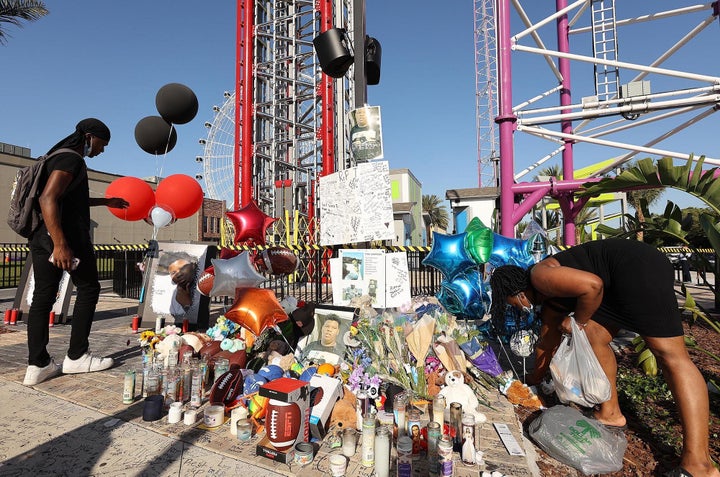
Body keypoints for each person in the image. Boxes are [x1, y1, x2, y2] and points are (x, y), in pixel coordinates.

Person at [489, 238, 719, 477]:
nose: (518, 308)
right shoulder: (550, 300)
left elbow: (592, 286)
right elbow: (546, 343)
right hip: (616, 282)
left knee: (669, 354)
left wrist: (578, 321)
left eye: (514, 303)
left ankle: (700, 465)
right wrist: (532, 381)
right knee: (595, 336)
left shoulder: (540, 275)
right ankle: (611, 414)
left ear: (517, 292)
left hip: (636, 267)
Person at [23, 118, 129, 386]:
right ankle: (77, 356)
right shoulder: (72, 159)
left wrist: (105, 201)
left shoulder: (55, 156)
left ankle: (37, 365)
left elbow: (69, 199)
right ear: (90, 137)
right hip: (66, 239)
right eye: (102, 144)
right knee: (89, 289)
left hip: (41, 238)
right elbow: (48, 198)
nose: (102, 150)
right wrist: (61, 244)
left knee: (42, 298)